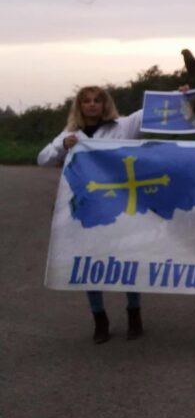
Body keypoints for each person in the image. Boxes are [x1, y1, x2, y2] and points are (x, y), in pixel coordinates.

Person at [37, 85, 146, 344]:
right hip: (87, 208)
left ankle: (134, 313)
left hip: (119, 206)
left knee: (126, 259)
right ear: (80, 105)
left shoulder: (123, 126)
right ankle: (100, 319)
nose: (92, 104)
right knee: (89, 262)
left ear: (105, 104)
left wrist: (183, 94)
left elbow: (153, 111)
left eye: (97, 100)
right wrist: (63, 146)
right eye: (86, 101)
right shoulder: (70, 134)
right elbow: (42, 158)